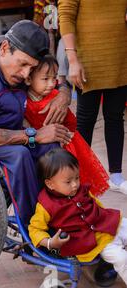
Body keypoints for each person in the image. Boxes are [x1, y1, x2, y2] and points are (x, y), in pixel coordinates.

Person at [0, 20, 74, 225]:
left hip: (11, 139)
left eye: (31, 67)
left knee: (52, 150)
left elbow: (53, 78)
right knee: (21, 155)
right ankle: (33, 229)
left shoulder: (19, 76)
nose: (26, 74)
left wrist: (64, 93)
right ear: (5, 48)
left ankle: (59, 217)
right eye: (23, 63)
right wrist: (33, 135)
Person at [29, 148, 127, 286]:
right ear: (50, 183)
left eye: (77, 178)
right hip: (94, 242)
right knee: (121, 258)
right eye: (68, 182)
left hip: (106, 223)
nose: (75, 184)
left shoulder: (81, 190)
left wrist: (107, 217)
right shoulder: (46, 206)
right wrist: (51, 243)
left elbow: (96, 204)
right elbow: (35, 229)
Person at [58, 0, 127, 194]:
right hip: (87, 60)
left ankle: (116, 176)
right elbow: (66, 15)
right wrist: (72, 60)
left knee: (115, 116)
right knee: (85, 121)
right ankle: (78, 178)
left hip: (120, 57)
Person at [24, 54, 109, 197]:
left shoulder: (56, 98)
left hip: (63, 144)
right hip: (37, 145)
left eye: (54, 78)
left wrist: (65, 132)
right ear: (28, 79)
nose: (51, 84)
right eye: (45, 79)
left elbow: (71, 122)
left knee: (71, 181)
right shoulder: (22, 100)